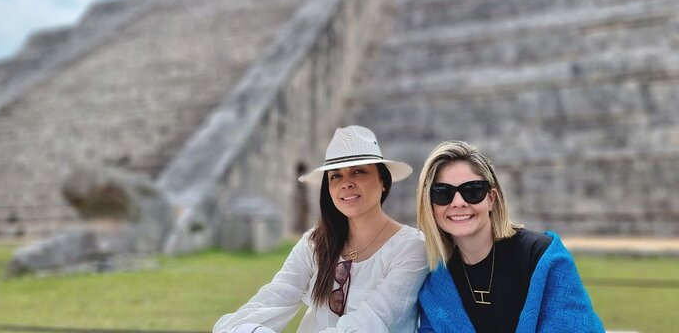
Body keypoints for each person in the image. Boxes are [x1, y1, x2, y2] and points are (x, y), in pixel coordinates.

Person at [214, 125, 428, 333]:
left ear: (383, 181)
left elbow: (374, 320)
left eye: (359, 172)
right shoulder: (316, 241)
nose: (346, 183)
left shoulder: (411, 247)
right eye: (336, 176)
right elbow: (277, 295)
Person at [415, 140, 604, 333]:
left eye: (472, 191)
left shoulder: (542, 257)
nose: (458, 202)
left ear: (491, 198)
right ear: (430, 205)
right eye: (443, 194)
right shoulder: (436, 281)